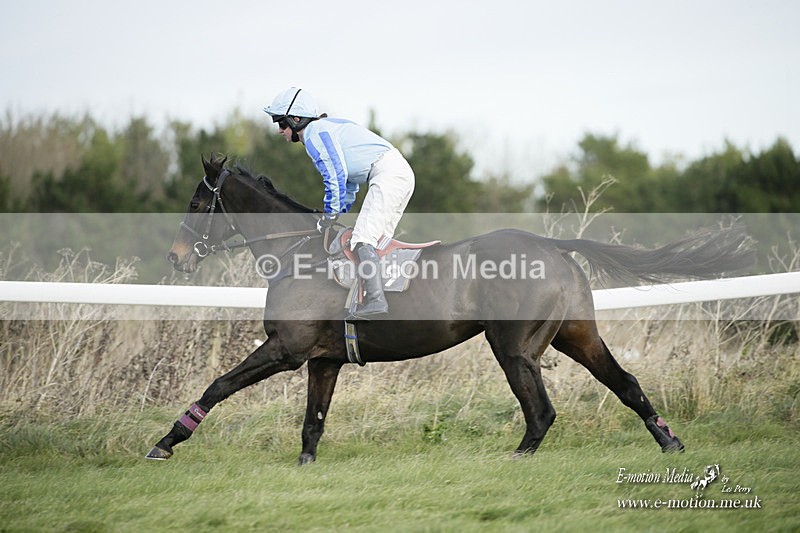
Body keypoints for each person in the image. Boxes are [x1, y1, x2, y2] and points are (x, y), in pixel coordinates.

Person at [264, 87, 415, 317]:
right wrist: (337, 211)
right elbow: (349, 183)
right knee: (377, 244)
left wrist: (330, 214)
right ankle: (388, 301)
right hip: (398, 172)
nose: (279, 130)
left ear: (296, 120)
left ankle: (376, 301)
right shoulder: (324, 128)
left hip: (388, 174)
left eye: (281, 123)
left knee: (363, 239)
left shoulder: (314, 133)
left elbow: (334, 176)